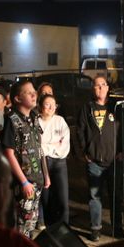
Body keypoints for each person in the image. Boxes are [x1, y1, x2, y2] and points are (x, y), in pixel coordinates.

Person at [3, 79, 50, 237]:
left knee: (31, 223)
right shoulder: (11, 120)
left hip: (37, 180)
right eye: (28, 92)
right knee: (22, 226)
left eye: (34, 92)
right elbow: (9, 154)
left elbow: (39, 148)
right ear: (17, 98)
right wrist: (23, 182)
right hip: (24, 182)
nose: (34, 95)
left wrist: (45, 174)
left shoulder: (34, 117)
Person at [76, 75, 120, 242]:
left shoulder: (116, 107)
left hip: (113, 160)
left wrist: (122, 151)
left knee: (115, 195)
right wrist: (84, 152)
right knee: (95, 196)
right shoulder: (87, 108)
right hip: (94, 161)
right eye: (97, 85)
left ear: (108, 88)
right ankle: (95, 228)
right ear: (92, 89)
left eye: (103, 84)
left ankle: (117, 227)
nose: (100, 88)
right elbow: (80, 131)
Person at [38, 93, 70, 226]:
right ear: (41, 106)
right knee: (46, 198)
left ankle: (64, 228)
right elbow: (38, 146)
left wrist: (48, 147)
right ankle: (49, 227)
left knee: (63, 198)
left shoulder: (60, 120)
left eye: (53, 105)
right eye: (47, 104)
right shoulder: (36, 121)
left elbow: (65, 144)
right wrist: (53, 145)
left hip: (59, 162)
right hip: (42, 162)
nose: (51, 107)